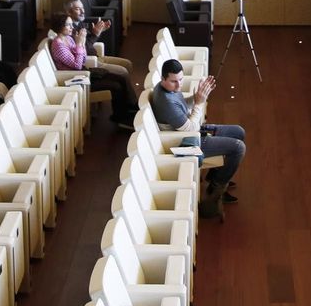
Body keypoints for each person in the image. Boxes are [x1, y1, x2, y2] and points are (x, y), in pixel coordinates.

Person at [150, 60, 245, 218]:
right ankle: (216, 189)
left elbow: (182, 107)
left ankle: (215, 177)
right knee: (238, 147)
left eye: (181, 80)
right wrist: (200, 103)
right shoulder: (166, 102)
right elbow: (191, 128)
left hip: (190, 130)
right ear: (163, 78)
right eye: (174, 81)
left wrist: (196, 97)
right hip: (186, 140)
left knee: (238, 132)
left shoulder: (168, 89)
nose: (179, 85)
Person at [50, 18, 138, 125]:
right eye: (68, 25)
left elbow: (83, 59)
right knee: (116, 85)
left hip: (84, 72)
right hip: (77, 78)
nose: (72, 27)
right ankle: (121, 117)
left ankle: (131, 109)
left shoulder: (68, 38)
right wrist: (79, 44)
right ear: (60, 26)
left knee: (121, 78)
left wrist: (81, 44)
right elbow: (77, 65)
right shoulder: (58, 46)